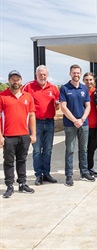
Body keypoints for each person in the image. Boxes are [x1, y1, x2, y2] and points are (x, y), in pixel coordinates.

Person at [0, 70, 36, 198]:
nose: (16, 81)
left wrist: (33, 134)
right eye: (13, 79)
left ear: (21, 80)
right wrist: (0, 136)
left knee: (22, 160)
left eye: (18, 79)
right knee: (9, 161)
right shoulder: (2, 96)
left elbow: (32, 115)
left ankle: (22, 184)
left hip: (24, 135)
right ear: (9, 80)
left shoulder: (28, 97)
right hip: (9, 136)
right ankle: (9, 186)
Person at [22, 65, 60, 186]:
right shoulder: (28, 87)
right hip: (35, 123)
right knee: (37, 150)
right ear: (36, 75)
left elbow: (58, 104)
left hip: (49, 122)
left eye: (44, 75)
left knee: (48, 150)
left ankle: (46, 173)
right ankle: (38, 175)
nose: (42, 77)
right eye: (40, 74)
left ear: (47, 75)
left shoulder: (53, 88)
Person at [60, 65, 95, 186]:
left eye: (78, 73)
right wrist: (75, 120)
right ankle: (69, 175)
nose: (76, 75)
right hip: (70, 124)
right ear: (70, 73)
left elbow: (88, 106)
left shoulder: (84, 88)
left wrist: (82, 119)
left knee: (83, 150)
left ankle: (84, 172)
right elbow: (63, 107)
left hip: (84, 124)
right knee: (70, 150)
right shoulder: (64, 88)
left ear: (80, 74)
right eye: (74, 73)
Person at [83, 72, 97, 177]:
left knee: (92, 149)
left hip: (96, 126)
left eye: (91, 80)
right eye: (86, 80)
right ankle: (84, 170)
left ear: (94, 81)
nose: (89, 82)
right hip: (84, 126)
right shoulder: (81, 92)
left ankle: (90, 168)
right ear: (83, 81)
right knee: (84, 149)